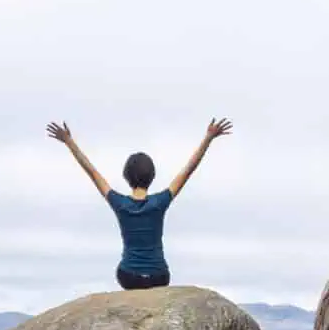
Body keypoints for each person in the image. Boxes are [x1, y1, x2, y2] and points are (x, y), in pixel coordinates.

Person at [47, 116, 233, 289]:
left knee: (123, 269)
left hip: (129, 277)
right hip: (158, 277)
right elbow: (188, 170)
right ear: (152, 177)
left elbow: (92, 172)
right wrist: (208, 138)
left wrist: (69, 142)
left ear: (126, 177)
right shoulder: (160, 202)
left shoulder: (119, 203)